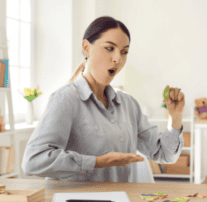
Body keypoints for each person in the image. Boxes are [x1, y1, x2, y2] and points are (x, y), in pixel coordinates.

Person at [21, 16, 185, 182]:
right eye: (109, 48)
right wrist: (98, 162)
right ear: (86, 48)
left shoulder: (128, 104)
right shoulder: (65, 99)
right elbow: (33, 161)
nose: (117, 59)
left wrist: (175, 116)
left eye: (124, 52)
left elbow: (165, 154)